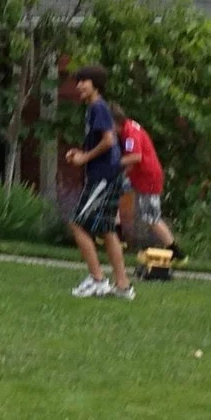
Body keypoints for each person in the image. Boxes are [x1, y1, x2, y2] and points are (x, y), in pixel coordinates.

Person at [63, 64, 132, 299]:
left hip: (103, 176)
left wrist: (84, 158)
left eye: (85, 81)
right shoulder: (94, 109)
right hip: (107, 174)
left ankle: (97, 280)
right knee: (107, 229)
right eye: (78, 81)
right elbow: (101, 142)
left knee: (77, 224)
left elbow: (109, 140)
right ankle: (123, 285)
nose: (80, 85)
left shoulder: (98, 107)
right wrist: (80, 153)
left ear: (96, 85)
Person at [117, 112, 177, 257]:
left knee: (151, 218)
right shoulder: (128, 127)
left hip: (148, 178)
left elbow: (136, 156)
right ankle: (118, 235)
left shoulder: (130, 133)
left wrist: (114, 163)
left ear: (115, 122)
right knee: (112, 190)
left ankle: (176, 252)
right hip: (135, 176)